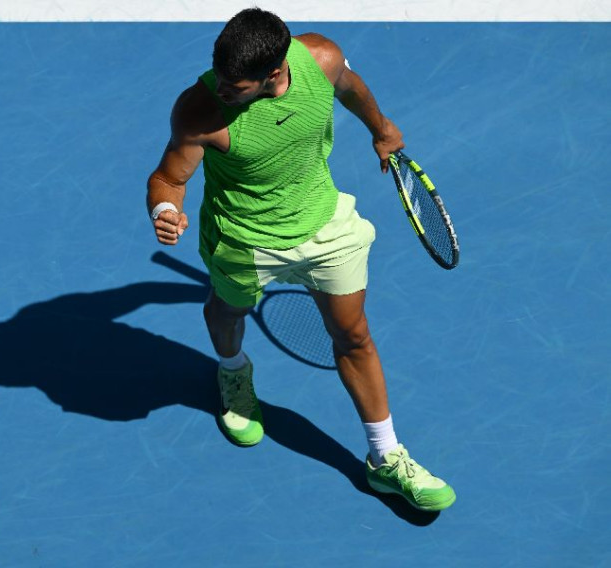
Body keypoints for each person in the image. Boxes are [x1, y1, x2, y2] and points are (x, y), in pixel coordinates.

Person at [146, 7, 455, 512]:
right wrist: (165, 210)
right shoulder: (200, 110)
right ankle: (233, 370)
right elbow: (169, 178)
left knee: (353, 335)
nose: (221, 90)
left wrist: (381, 128)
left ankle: (385, 458)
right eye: (219, 77)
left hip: (325, 227)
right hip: (244, 240)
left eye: (234, 86)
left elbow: (350, 86)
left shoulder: (322, 58)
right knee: (227, 311)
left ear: (274, 73)